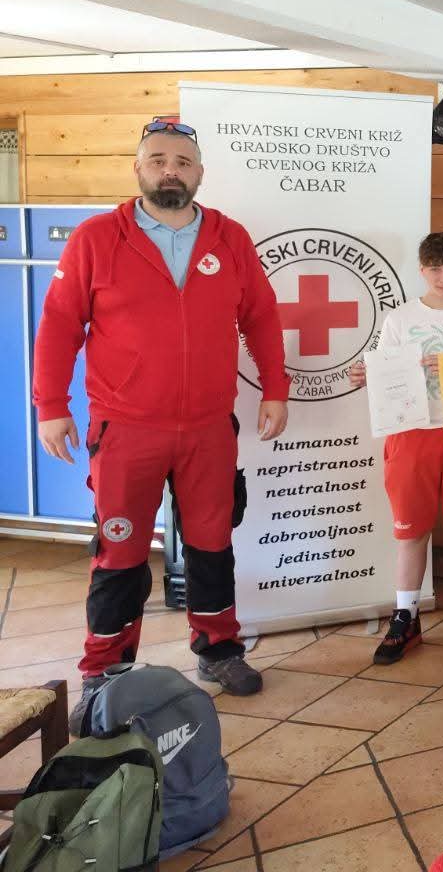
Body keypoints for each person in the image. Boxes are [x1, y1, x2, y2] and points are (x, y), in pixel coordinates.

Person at [32, 120, 289, 731]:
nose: (169, 170)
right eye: (157, 159)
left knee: (212, 542)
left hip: (208, 427)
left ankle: (218, 649)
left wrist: (276, 389)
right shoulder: (97, 238)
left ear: (199, 173)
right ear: (138, 168)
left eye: (182, 161)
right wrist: (50, 405)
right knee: (119, 550)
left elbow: (261, 316)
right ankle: (105, 671)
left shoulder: (228, 237)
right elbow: (60, 323)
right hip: (126, 428)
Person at [350, 231, 443, 664]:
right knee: (410, 531)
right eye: (435, 268)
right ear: (422, 270)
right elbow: (385, 375)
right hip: (410, 433)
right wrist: (368, 377)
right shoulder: (399, 319)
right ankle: (406, 616)